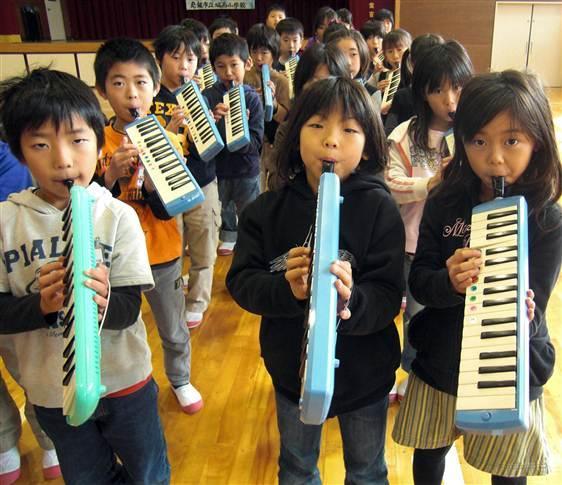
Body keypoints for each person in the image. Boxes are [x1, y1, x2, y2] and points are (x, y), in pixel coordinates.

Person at [226, 77, 405, 484]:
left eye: (350, 130)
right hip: (292, 374)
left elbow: (388, 292)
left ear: (369, 145)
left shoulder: (379, 208)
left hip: (365, 377)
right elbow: (242, 281)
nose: (331, 141)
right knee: (296, 466)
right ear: (295, 135)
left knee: (367, 470)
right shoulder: (265, 210)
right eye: (317, 125)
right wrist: (286, 291)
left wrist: (351, 302)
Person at [0, 68, 170, 485]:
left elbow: (130, 307)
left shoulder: (117, 216)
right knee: (86, 477)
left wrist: (101, 299)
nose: (62, 159)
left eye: (77, 140)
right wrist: (41, 305)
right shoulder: (6, 222)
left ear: (98, 144)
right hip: (52, 393)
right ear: (20, 154)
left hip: (126, 383)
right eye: (40, 145)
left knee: (148, 473)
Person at [393, 69, 562, 484]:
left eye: (512, 141)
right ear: (462, 140)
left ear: (536, 142)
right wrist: (448, 282)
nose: (495, 157)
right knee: (430, 452)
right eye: (479, 141)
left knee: (507, 469)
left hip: (510, 368)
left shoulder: (547, 219)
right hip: (441, 360)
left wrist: (524, 311)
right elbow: (420, 282)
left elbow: (537, 307)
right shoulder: (445, 200)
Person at [94, 38, 203, 413]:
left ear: (155, 87)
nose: (131, 93)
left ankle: (181, 378)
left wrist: (158, 185)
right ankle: (125, 384)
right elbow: (88, 206)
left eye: (141, 82)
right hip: (113, 259)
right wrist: (109, 175)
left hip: (162, 250)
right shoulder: (94, 142)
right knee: (117, 329)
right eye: (118, 83)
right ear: (102, 90)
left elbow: (171, 207)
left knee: (173, 328)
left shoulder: (167, 137)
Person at [385, 40, 473, 401]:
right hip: (414, 244)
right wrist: (433, 183)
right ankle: (411, 370)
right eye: (438, 91)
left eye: (457, 87)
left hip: (463, 245)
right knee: (416, 315)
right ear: (423, 92)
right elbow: (390, 184)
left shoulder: (475, 132)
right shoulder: (405, 134)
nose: (449, 100)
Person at [150, 25, 222, 330]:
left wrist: (212, 121)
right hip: (169, 184)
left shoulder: (199, 95)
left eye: (191, 59)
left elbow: (208, 145)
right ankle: (175, 297)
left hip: (204, 181)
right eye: (176, 58)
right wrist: (171, 127)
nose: (184, 66)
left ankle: (197, 301)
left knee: (205, 241)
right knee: (173, 245)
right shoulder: (150, 98)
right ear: (160, 59)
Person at [197, 33, 264, 256]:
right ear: (213, 68)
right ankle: (228, 235)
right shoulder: (207, 96)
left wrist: (240, 128)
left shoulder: (252, 98)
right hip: (220, 169)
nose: (228, 73)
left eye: (234, 65)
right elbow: (201, 140)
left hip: (246, 167)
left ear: (247, 64)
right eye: (221, 66)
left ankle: (251, 241)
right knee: (223, 206)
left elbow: (257, 141)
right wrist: (214, 121)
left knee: (249, 208)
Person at [267, 43, 351, 190]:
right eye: (315, 84)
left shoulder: (354, 129)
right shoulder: (288, 129)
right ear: (301, 86)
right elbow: (275, 183)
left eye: (330, 83)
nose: (323, 91)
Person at [245, 23, 290, 190]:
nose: (258, 58)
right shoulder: (243, 78)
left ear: (274, 54)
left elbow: (284, 117)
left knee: (271, 187)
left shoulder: (281, 81)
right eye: (254, 51)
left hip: (272, 144)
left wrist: (273, 101)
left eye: (264, 52)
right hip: (252, 146)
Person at [384, 33, 445, 136]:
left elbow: (388, 133)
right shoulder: (402, 96)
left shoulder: (402, 95)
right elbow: (390, 133)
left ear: (412, 63)